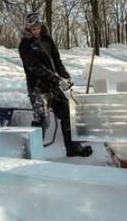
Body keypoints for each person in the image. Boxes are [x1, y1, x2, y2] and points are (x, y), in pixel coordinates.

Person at [18, 12, 93, 157]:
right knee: (43, 119)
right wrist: (58, 80)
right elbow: (36, 68)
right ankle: (31, 153)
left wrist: (66, 76)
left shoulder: (47, 40)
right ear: (28, 28)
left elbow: (57, 61)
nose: (36, 30)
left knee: (67, 112)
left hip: (52, 86)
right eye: (33, 28)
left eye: (38, 27)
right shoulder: (24, 45)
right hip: (38, 88)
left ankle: (72, 148)